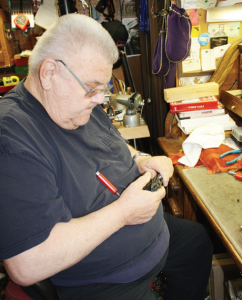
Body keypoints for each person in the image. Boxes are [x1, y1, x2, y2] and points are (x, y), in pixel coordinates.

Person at [0, 14, 213, 300]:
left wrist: (140, 159)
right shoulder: (12, 137)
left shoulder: (77, 106)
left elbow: (117, 145)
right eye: (92, 88)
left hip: (152, 234)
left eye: (103, 88)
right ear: (49, 73)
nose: (100, 99)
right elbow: (27, 264)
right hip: (106, 280)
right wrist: (124, 213)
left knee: (198, 242)